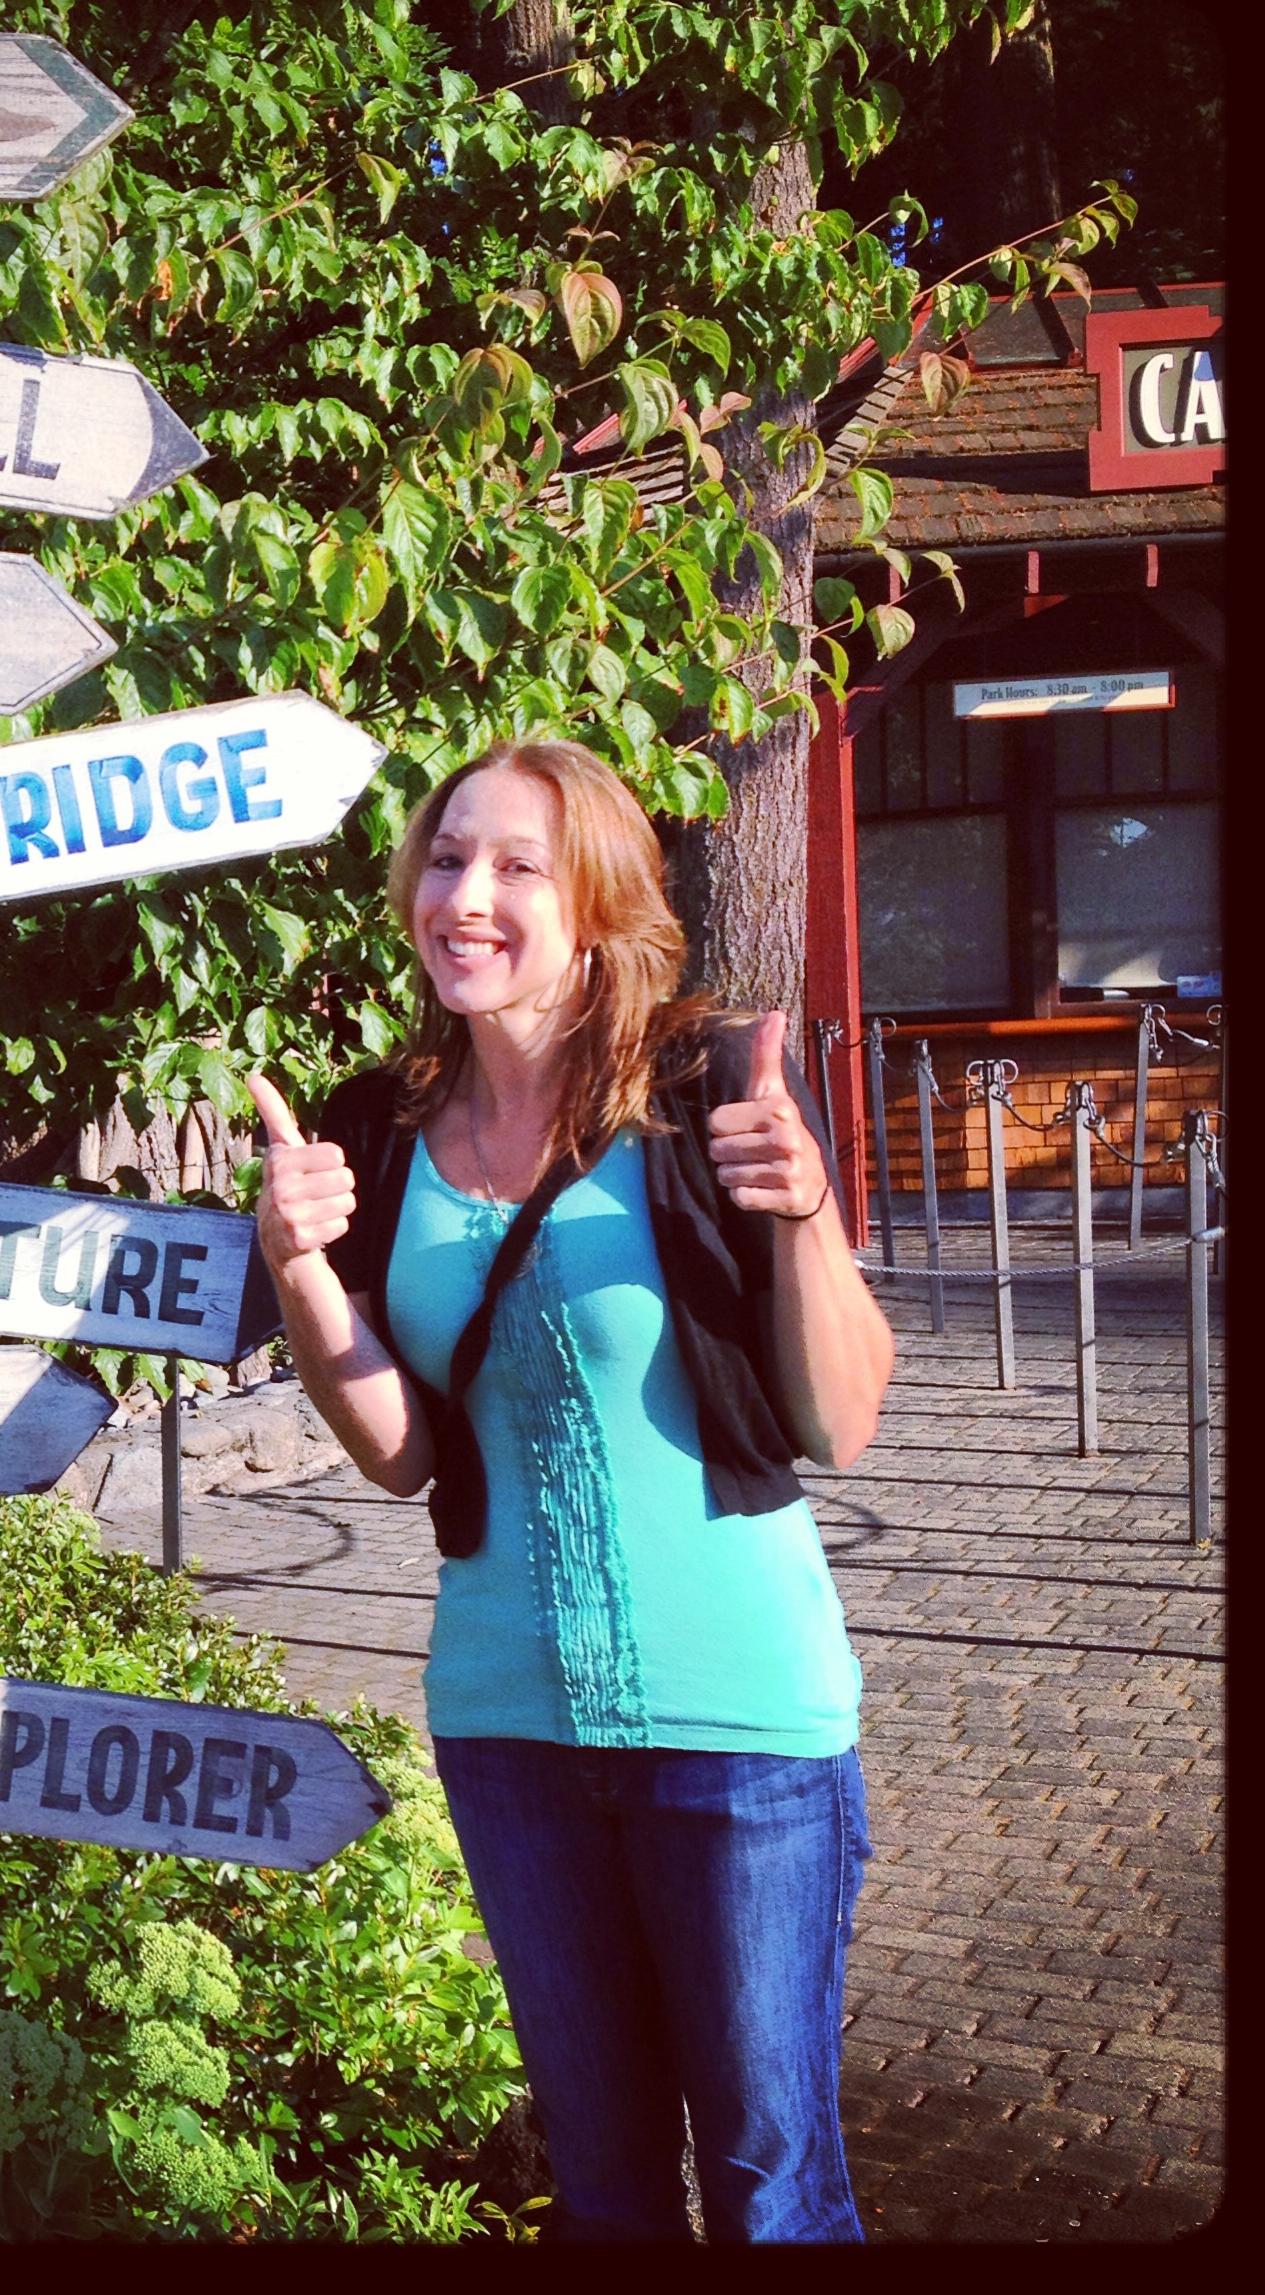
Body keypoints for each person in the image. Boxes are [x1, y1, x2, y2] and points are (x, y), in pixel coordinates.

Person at [249, 736, 894, 2243]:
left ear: (596, 906)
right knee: (603, 2191)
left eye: (515, 866)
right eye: (445, 859)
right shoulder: (378, 1124)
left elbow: (843, 1419)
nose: (465, 896)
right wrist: (300, 1271)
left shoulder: (702, 1092)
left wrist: (803, 1211)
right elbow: (402, 1453)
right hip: (509, 1730)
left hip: (739, 1731)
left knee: (773, 2193)